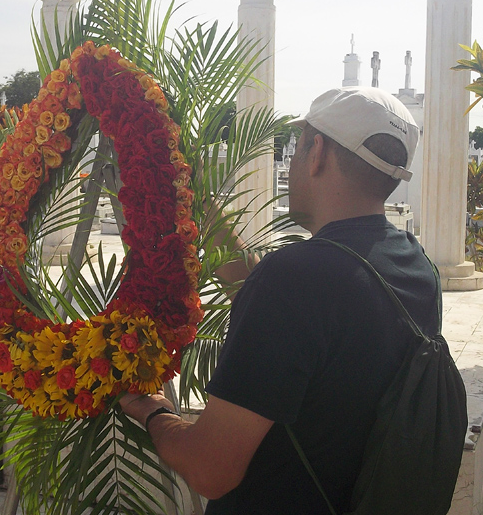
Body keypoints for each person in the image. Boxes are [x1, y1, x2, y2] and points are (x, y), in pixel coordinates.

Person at [121, 86, 443, 513]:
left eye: (295, 148)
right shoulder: (415, 266)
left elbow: (210, 470)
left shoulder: (295, 282)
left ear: (317, 153)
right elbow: (279, 302)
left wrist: (154, 414)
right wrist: (195, 192)